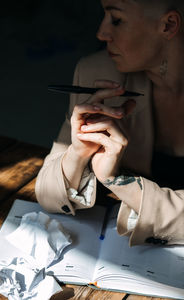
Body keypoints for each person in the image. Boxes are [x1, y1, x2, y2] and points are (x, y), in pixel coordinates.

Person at [35, 0, 184, 246]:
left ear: (168, 25)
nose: (101, 33)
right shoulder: (98, 73)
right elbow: (47, 194)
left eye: (116, 20)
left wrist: (121, 184)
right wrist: (79, 153)